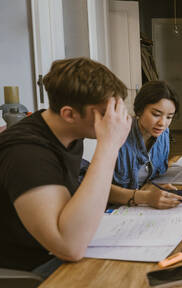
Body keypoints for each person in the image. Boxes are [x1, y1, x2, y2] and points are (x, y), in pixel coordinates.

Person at [0, 57, 131, 273]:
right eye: (105, 112)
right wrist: (109, 146)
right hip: (27, 271)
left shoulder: (67, 133)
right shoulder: (26, 154)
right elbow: (69, 247)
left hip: (53, 254)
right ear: (69, 114)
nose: (115, 119)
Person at [108, 80, 182, 209]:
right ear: (140, 110)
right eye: (156, 114)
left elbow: (148, 177)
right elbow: (100, 188)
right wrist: (146, 197)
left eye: (169, 117)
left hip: (142, 205)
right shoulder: (117, 135)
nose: (162, 123)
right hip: (117, 210)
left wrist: (154, 188)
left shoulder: (163, 134)